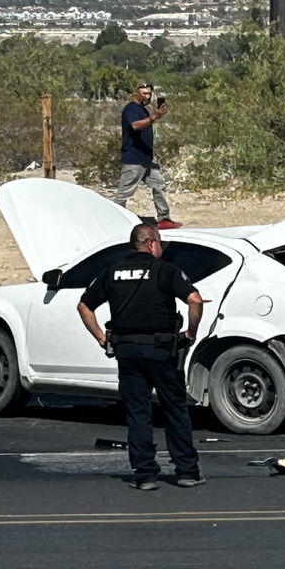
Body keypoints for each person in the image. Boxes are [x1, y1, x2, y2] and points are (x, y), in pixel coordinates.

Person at [77, 224, 204, 491]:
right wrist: (191, 333)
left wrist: (102, 338)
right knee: (174, 409)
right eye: (159, 243)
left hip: (127, 351)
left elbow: (84, 305)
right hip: (160, 350)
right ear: (151, 243)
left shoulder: (112, 272)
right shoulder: (165, 270)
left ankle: (145, 475)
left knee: (138, 413)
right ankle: (187, 472)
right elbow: (195, 300)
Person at [115, 82, 182, 231]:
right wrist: (153, 118)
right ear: (136, 93)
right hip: (134, 159)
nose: (147, 96)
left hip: (146, 159)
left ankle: (164, 219)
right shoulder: (131, 108)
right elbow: (135, 126)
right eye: (144, 93)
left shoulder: (143, 110)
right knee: (124, 194)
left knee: (159, 184)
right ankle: (113, 220)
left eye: (149, 93)